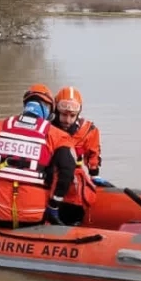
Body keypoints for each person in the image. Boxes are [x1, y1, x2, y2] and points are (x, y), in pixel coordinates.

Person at [0, 84, 78, 228]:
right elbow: (67, 172)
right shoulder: (58, 136)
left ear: (26, 104)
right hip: (33, 216)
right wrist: (54, 206)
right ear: (49, 110)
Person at [51, 86, 104, 225]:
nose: (67, 120)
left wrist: (94, 174)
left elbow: (93, 153)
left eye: (72, 116)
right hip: (51, 179)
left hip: (74, 185)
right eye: (64, 115)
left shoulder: (88, 131)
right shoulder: (47, 128)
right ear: (56, 111)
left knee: (73, 212)